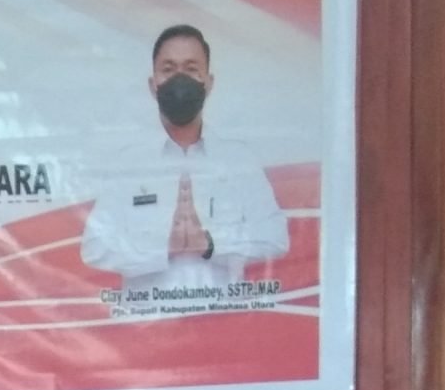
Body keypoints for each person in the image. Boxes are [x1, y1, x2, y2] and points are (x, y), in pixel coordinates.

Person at [78, 24, 291, 295]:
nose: (180, 80)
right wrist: (162, 246)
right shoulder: (129, 164)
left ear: (208, 83)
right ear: (153, 85)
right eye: (168, 69)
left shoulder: (238, 161)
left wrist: (211, 244)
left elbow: (275, 238)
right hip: (150, 318)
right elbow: (94, 248)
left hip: (223, 315)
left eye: (191, 69)